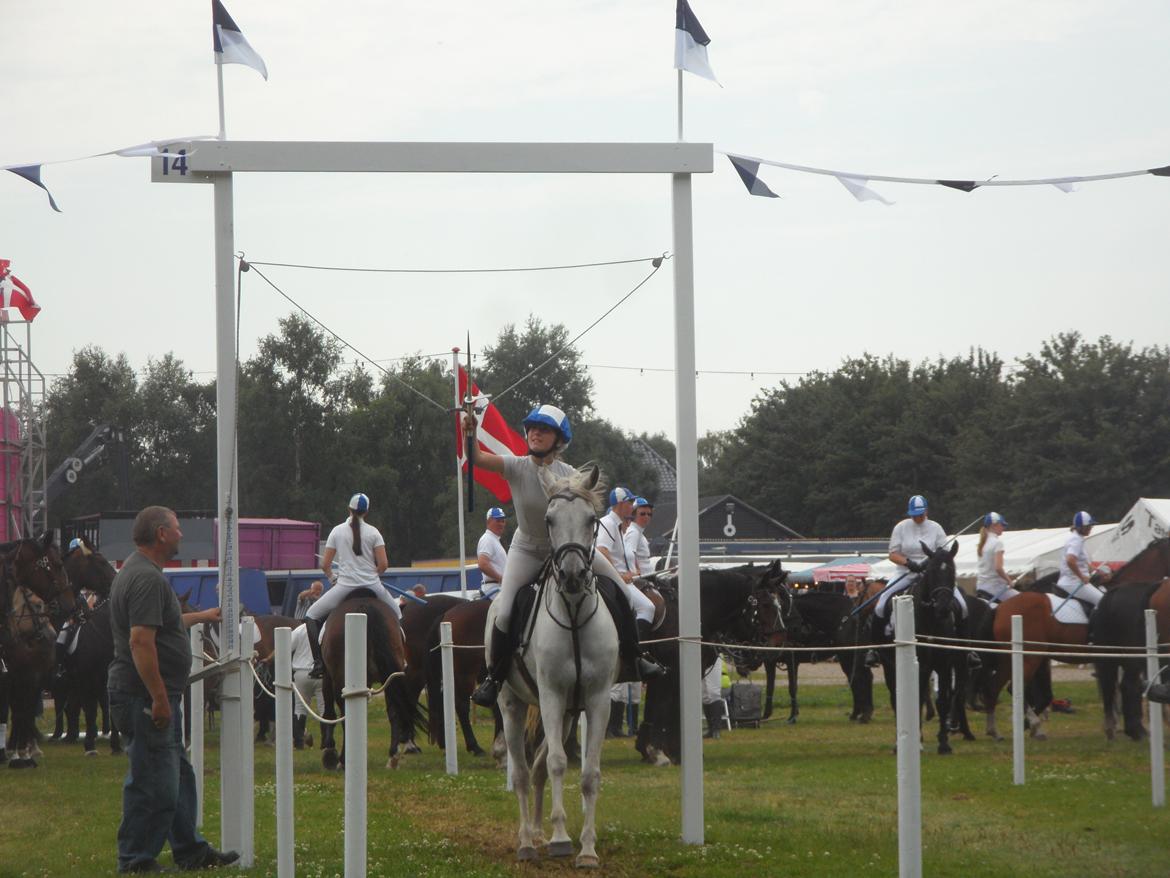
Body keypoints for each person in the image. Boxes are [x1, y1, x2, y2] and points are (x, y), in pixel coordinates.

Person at [464, 404, 665, 708]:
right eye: (532, 428)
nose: (535, 433)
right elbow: (478, 459)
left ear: (558, 439)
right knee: (503, 612)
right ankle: (495, 678)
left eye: (543, 430)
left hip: (568, 551)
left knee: (628, 596)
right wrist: (470, 435)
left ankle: (634, 657)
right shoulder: (516, 466)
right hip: (527, 550)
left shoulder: (570, 474)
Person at [106, 505, 238, 873]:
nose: (181, 534)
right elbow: (140, 641)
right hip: (144, 697)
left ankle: (190, 850)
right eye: (177, 528)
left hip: (150, 694)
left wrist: (203, 616)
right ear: (161, 534)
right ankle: (135, 859)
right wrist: (160, 698)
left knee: (177, 775)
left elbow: (162, 622)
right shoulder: (147, 579)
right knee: (154, 782)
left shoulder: (140, 572)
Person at [303, 493, 394, 678]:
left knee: (311, 616)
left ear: (349, 509)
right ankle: (402, 658)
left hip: (344, 586)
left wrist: (332, 578)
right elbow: (384, 565)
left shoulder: (337, 531)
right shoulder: (374, 532)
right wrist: (371, 575)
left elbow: (325, 565)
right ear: (366, 512)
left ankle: (319, 663)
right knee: (399, 616)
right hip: (373, 586)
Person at [1055, 511, 1111, 614]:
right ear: (1081, 527)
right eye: (1088, 526)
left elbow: (1081, 563)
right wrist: (1082, 577)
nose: (1091, 528)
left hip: (1072, 581)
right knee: (1103, 601)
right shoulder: (1076, 540)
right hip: (1074, 582)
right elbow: (1070, 561)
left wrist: (1097, 570)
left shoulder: (1078, 538)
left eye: (1091, 526)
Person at [289, 623, 323, 750]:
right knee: (323, 708)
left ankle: (299, 743)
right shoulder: (324, 627)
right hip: (321, 674)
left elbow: (287, 646)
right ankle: (326, 741)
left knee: (299, 709)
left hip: (301, 673)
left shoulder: (300, 629)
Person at [974, 512, 1019, 605]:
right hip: (995, 588)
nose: (1003, 527)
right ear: (994, 525)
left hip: (980, 586)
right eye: (1002, 525)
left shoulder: (982, 544)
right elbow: (998, 568)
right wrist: (1009, 581)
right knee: (1025, 601)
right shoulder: (997, 543)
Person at [477, 507, 509, 599]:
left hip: (498, 587)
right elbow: (483, 564)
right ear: (488, 521)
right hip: (493, 589)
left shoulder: (494, 540)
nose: (501, 524)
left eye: (503, 521)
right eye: (498, 521)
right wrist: (501, 579)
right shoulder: (487, 539)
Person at [624, 497, 656, 578]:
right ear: (633, 515)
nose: (646, 517)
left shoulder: (639, 533)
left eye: (649, 514)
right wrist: (637, 571)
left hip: (648, 576)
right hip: (643, 579)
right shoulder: (633, 532)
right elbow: (629, 554)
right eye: (642, 514)